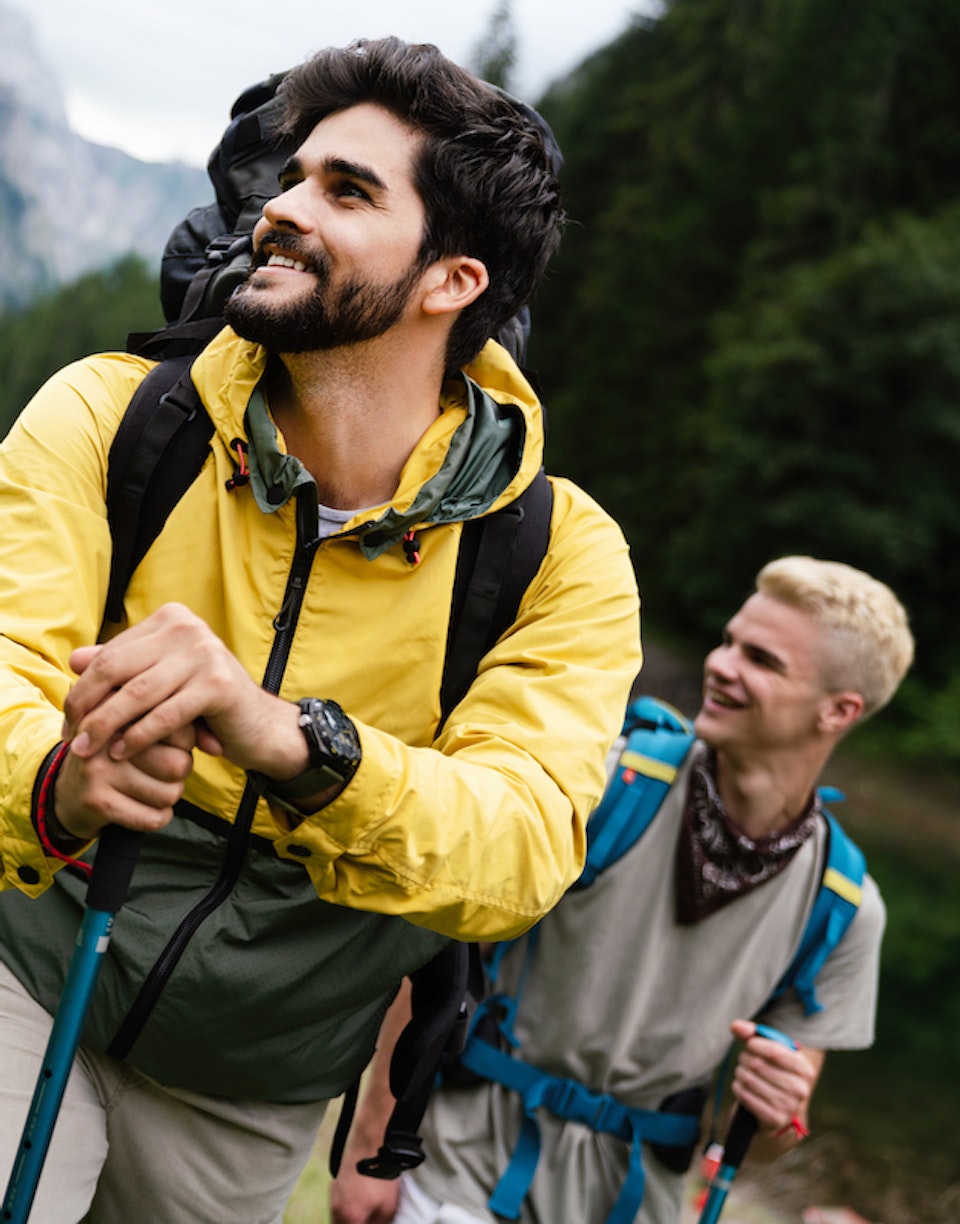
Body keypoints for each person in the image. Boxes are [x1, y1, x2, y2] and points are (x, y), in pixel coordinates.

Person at [0, 37, 642, 1223]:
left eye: (346, 191)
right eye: (294, 177)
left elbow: (519, 848)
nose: (281, 211)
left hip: (257, 1083)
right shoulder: (109, 416)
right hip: (28, 964)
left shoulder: (562, 555)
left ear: (453, 278)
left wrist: (295, 742)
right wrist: (64, 780)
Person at [330, 555, 914, 1224]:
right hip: (458, 1175)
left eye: (763, 660)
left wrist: (779, 1116)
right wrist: (370, 1147)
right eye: (728, 643)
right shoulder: (601, 786)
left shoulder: (843, 907)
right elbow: (434, 953)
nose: (721, 665)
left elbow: (758, 1142)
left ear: (838, 711)